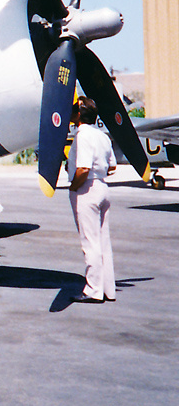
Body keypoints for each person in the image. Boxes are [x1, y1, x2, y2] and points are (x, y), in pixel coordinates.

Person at [67, 96, 117, 304]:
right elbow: (112, 166)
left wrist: (74, 186)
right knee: (103, 242)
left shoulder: (83, 135)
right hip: (103, 187)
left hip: (87, 189)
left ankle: (93, 290)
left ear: (79, 115)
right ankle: (108, 289)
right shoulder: (102, 136)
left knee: (90, 243)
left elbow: (83, 168)